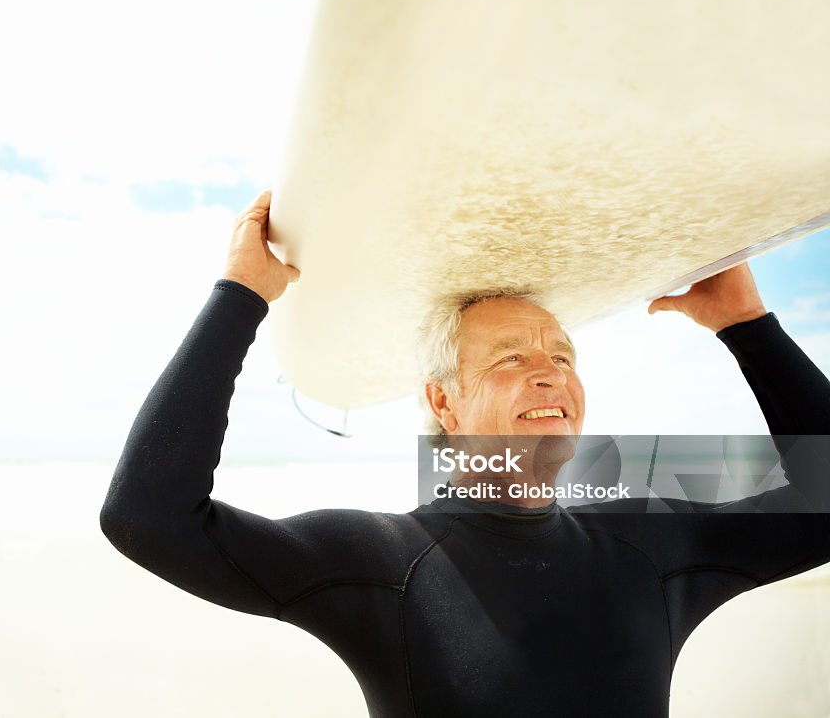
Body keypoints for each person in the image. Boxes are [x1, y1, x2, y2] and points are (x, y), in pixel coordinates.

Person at [100, 189, 830, 717]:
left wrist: (748, 325)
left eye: (563, 355)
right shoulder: (379, 561)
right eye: (510, 358)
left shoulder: (650, 542)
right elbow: (147, 516)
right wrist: (240, 296)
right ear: (444, 403)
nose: (550, 372)